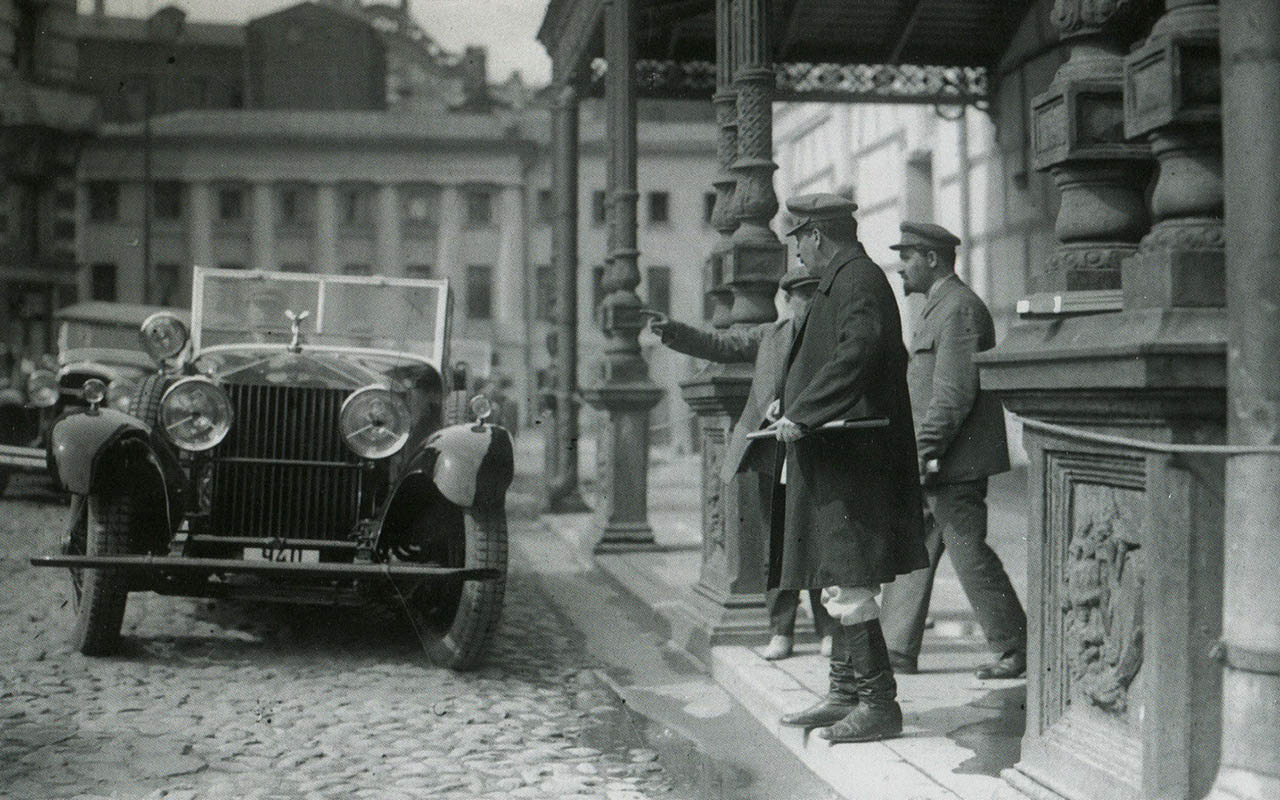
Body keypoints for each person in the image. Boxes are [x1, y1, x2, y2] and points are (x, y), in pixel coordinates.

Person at [769, 193, 928, 743]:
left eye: (797, 241)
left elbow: (857, 356)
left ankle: (879, 704)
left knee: (849, 577)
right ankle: (844, 694)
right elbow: (832, 359)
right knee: (839, 575)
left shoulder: (857, 279)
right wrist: (788, 404)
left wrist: (805, 411)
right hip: (838, 451)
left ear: (816, 234)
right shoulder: (848, 279)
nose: (796, 255)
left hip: (853, 457)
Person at [646, 266, 835, 661]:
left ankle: (828, 630)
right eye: (803, 296)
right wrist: (674, 331)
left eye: (817, 295)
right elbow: (721, 344)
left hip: (821, 453)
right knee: (778, 544)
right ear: (787, 301)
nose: (811, 304)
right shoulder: (771, 336)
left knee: (818, 542)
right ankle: (782, 630)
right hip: (776, 453)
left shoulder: (835, 341)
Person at [879, 221, 1028, 680]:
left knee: (967, 551)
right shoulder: (937, 309)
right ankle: (894, 650)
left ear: (931, 259)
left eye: (907, 257)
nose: (901, 268)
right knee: (915, 547)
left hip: (952, 462)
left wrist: (922, 451)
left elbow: (953, 394)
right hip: (938, 459)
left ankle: (1017, 646)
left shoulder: (959, 310)